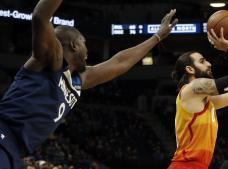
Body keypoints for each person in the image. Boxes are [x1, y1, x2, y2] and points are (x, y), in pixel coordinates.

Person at [0, 0, 178, 168]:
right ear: (74, 45)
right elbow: (40, 15)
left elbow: (118, 63)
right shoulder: (50, 60)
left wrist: (157, 37)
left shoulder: (79, 80)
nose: (88, 51)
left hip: (15, 150)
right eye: (85, 44)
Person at [167, 28, 228, 169]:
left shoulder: (206, 101)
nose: (209, 64)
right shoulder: (193, 87)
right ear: (190, 69)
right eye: (202, 61)